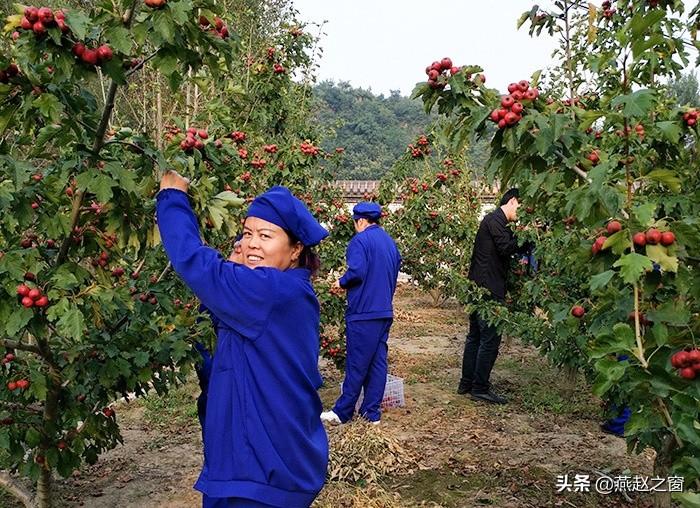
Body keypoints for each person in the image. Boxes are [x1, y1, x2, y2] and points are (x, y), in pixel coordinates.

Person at [156, 172, 329, 508]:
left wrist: (173, 198)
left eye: (265, 235)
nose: (251, 244)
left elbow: (195, 263)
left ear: (295, 250)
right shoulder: (274, 293)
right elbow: (217, 332)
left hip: (260, 472)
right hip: (250, 462)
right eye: (247, 234)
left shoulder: (271, 291)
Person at [320, 202, 401, 425]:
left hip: (364, 312)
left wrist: (340, 282)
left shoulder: (360, 241)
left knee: (357, 362)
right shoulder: (390, 244)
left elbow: (356, 271)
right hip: (384, 310)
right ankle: (371, 414)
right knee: (377, 363)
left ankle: (342, 412)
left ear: (361, 221)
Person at [458, 188, 524, 405]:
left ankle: (467, 383)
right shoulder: (495, 220)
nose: (521, 214)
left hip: (478, 286)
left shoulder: (495, 222)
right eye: (521, 207)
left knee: (475, 336)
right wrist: (527, 237)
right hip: (488, 288)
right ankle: (479, 387)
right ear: (513, 201)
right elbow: (506, 247)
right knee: (489, 339)